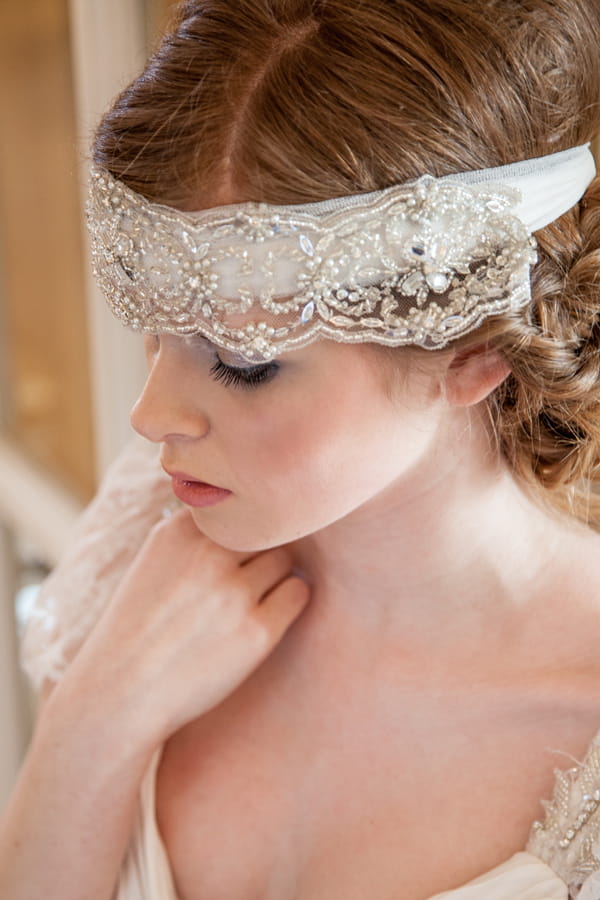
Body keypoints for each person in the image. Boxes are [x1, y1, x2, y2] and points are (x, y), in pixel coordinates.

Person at [2, 0, 600, 898]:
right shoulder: (148, 556)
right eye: (156, 335)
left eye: (243, 364)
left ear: (475, 355)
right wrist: (97, 716)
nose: (150, 414)